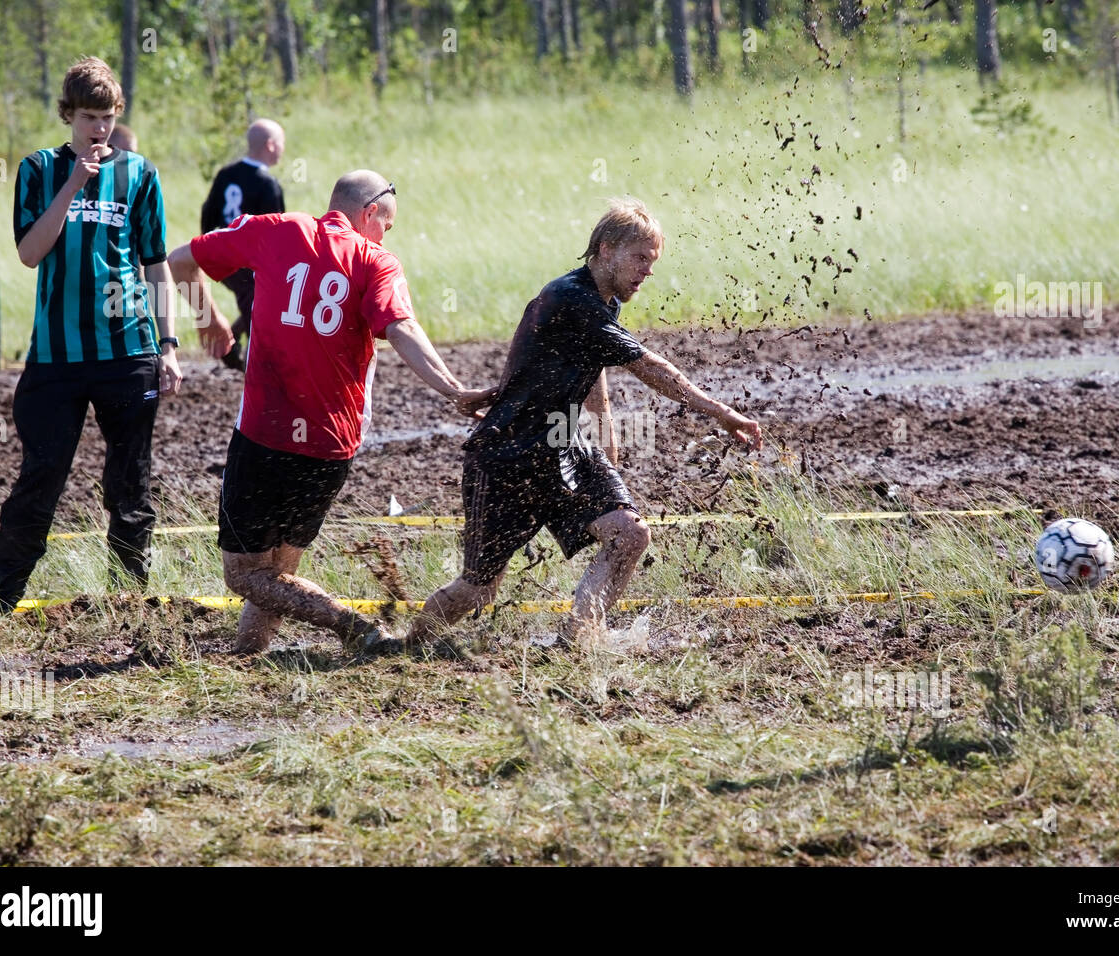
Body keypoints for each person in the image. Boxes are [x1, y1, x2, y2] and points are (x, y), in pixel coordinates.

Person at [410, 198, 763, 652]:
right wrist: (721, 412)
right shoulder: (568, 296)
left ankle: (579, 640)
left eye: (652, 263)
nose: (647, 272)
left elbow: (593, 374)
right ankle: (406, 646)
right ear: (606, 248)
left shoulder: (604, 301)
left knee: (630, 534)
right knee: (478, 587)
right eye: (640, 258)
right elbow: (648, 366)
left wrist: (606, 449)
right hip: (508, 454)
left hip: (562, 442)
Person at [168, 170, 493, 656]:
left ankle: (351, 625)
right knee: (278, 572)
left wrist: (207, 319)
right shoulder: (376, 261)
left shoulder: (276, 228)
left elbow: (179, 262)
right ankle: (248, 654)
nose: (386, 236)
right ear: (370, 214)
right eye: (388, 225)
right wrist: (454, 389)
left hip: (264, 433)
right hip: (330, 444)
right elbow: (401, 327)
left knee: (243, 576)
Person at [0, 57, 183, 614]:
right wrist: (74, 184)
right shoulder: (38, 169)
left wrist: (168, 344)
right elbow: (29, 254)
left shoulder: (140, 173)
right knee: (41, 476)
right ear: (68, 115)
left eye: (108, 116)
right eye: (90, 116)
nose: (100, 128)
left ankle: (133, 603)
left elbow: (155, 262)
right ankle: (0, 604)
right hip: (55, 358)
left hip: (128, 351)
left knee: (130, 480)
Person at [200, 119, 287, 371]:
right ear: (270, 145)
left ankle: (232, 344)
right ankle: (256, 368)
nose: (282, 149)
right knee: (258, 306)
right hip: (249, 264)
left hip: (222, 258)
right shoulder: (267, 184)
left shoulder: (225, 174)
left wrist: (210, 249)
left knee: (253, 302)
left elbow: (208, 214)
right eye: (281, 144)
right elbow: (277, 233)